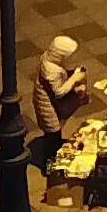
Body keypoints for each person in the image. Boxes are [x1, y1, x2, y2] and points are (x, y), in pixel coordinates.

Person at [24, 33, 92, 174]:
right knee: (53, 137)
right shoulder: (51, 71)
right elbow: (59, 92)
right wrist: (74, 78)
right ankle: (51, 165)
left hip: (50, 105)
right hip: (48, 109)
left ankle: (54, 159)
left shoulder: (49, 62)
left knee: (54, 136)